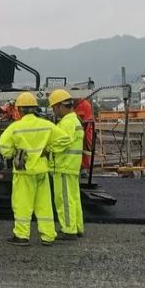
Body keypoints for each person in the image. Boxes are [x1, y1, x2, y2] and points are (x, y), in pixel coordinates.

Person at [0, 92, 71, 246]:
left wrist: (14, 153)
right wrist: (49, 148)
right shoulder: (46, 125)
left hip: (23, 172)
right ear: (35, 108)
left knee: (22, 204)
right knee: (44, 205)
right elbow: (65, 139)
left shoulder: (15, 127)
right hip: (41, 171)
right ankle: (48, 236)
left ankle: (21, 236)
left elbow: (3, 147)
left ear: (19, 110)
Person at [49, 89, 85, 239]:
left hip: (64, 167)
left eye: (54, 108)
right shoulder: (74, 120)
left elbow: (62, 141)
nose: (54, 111)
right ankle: (77, 227)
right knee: (73, 198)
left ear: (59, 106)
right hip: (71, 166)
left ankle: (69, 230)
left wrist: (48, 147)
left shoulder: (67, 123)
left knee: (64, 199)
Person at [75, 94, 95, 177]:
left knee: (85, 150)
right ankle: (82, 168)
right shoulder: (80, 104)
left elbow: (82, 119)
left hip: (85, 130)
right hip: (84, 129)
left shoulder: (82, 105)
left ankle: (84, 168)